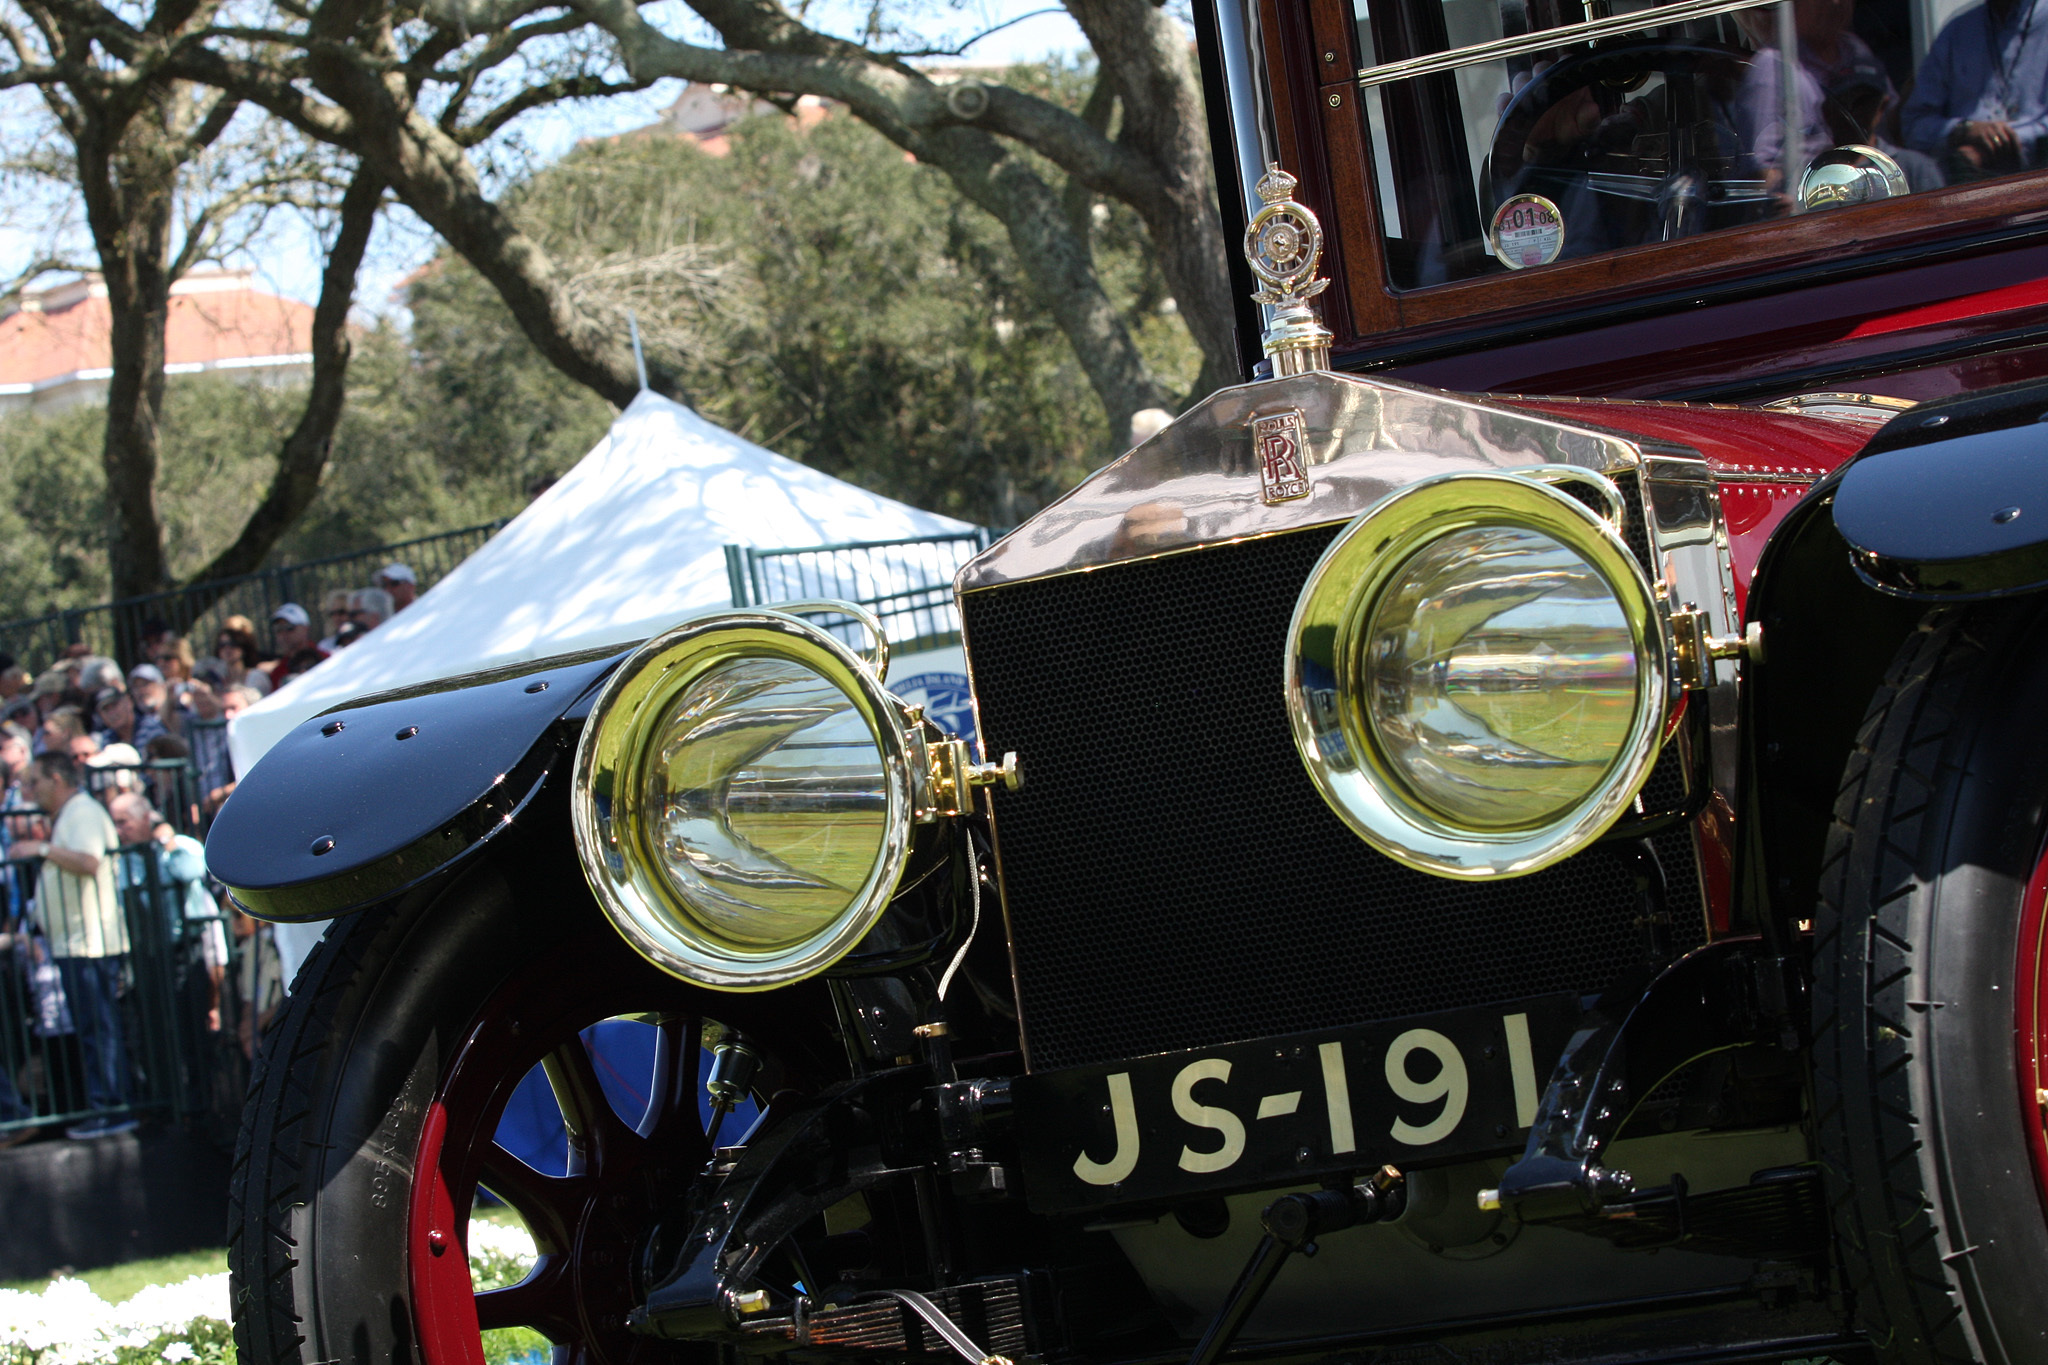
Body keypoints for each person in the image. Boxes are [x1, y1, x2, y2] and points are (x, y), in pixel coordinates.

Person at [13, 751, 132, 1138]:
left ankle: (112, 1109)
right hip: (78, 944)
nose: (29, 790)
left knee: (97, 1028)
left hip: (90, 944)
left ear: (57, 779)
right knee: (93, 1028)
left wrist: (42, 850)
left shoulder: (81, 811)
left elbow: (89, 861)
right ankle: (108, 1107)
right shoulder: (72, 813)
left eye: (35, 782)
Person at [108, 792, 226, 1033]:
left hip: (187, 948)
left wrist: (167, 845)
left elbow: (190, 870)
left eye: (124, 822)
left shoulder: (180, 845)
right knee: (159, 1031)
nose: (119, 831)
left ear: (145, 818)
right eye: (115, 823)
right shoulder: (124, 860)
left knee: (195, 1029)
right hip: (149, 955)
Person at [1904, 0, 2048, 178]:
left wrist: (1991, 146)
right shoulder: (1957, 32)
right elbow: (1914, 126)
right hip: (1966, 184)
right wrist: (1963, 131)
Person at [266, 604, 326, 690]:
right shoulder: (278, 673)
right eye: (278, 629)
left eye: (289, 628)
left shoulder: (328, 660)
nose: (284, 634)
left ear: (305, 628)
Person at [93, 687, 166, 752]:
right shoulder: (106, 739)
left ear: (128, 702)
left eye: (115, 705)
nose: (112, 713)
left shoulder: (151, 728)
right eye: (106, 709)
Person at [213, 623, 273, 697]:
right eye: (222, 645)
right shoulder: (217, 681)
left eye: (232, 643)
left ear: (243, 647)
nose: (227, 649)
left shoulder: (256, 677)